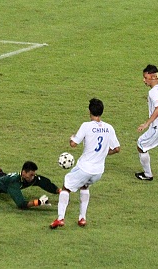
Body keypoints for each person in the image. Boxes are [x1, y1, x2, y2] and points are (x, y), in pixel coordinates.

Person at [50, 98, 120, 229]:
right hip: (98, 171)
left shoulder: (86, 126)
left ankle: (60, 218)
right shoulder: (109, 128)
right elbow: (117, 149)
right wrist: (103, 154)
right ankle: (82, 218)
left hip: (84, 167)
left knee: (66, 187)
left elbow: (73, 144)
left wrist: (71, 138)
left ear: (89, 111)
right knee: (84, 186)